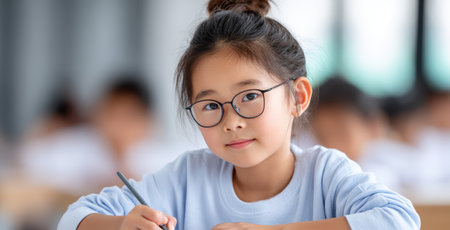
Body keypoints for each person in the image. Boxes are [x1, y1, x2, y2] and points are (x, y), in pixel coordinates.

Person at [58, 1, 420, 229]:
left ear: (297, 96)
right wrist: (123, 224)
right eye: (211, 105)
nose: (231, 121)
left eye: (249, 96)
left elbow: (400, 219)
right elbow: (73, 218)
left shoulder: (325, 175)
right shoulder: (187, 178)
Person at [309, 77, 385, 161]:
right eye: (322, 137)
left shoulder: (384, 170)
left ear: (373, 126)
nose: (332, 145)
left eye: (342, 133)